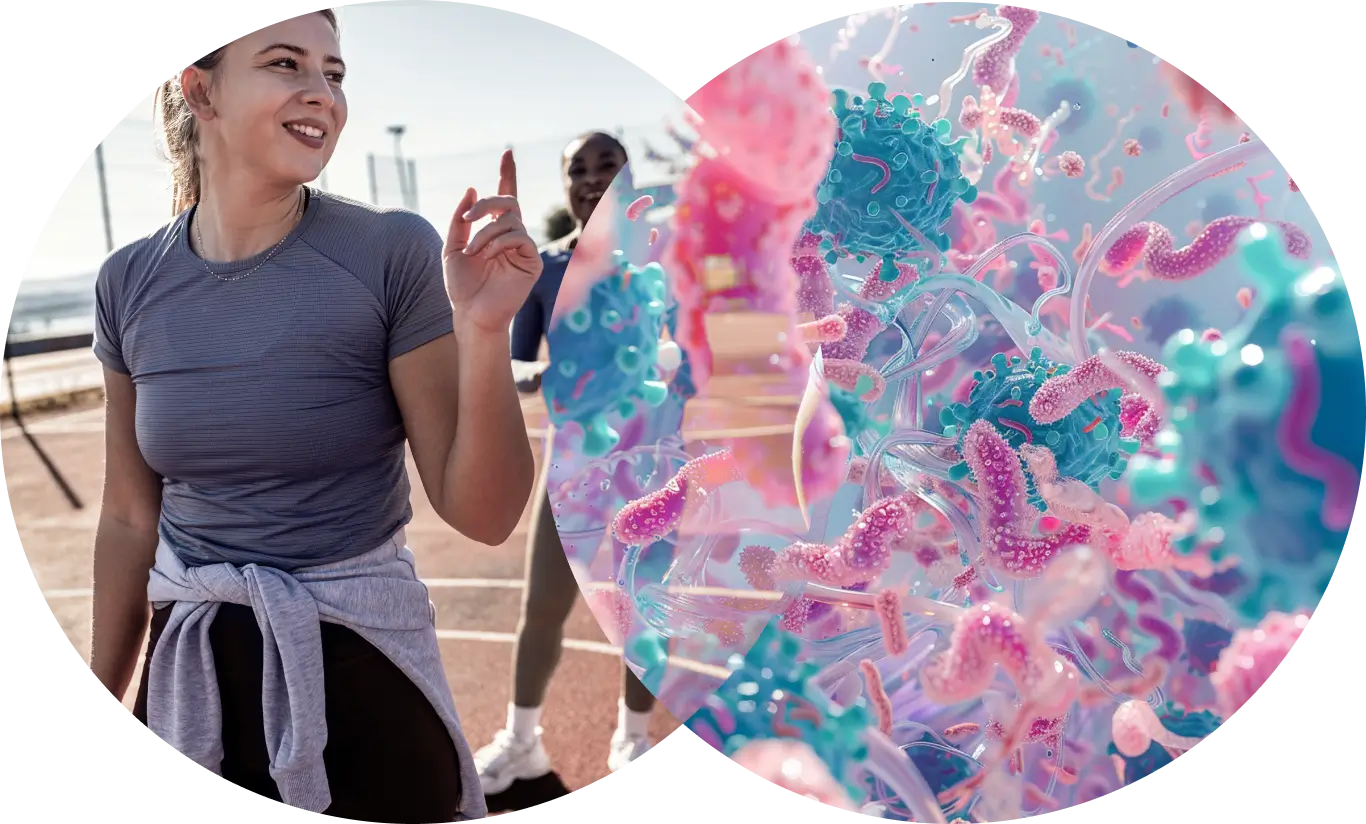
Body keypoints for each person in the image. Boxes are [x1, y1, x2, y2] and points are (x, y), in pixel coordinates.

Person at [87, 11, 541, 822]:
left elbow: (485, 514)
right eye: (286, 63)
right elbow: (128, 518)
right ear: (202, 92)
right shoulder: (127, 282)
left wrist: (483, 331)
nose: (321, 93)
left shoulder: (390, 252)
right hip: (190, 684)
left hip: (361, 677)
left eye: (334, 72)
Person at [474, 132, 658, 794]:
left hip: (650, 472)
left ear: (629, 176)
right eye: (576, 168)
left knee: (641, 612)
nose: (590, 178)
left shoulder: (663, 258)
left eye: (606, 165)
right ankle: (521, 742)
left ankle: (632, 741)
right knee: (542, 608)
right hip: (574, 472)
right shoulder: (544, 269)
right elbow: (523, 367)